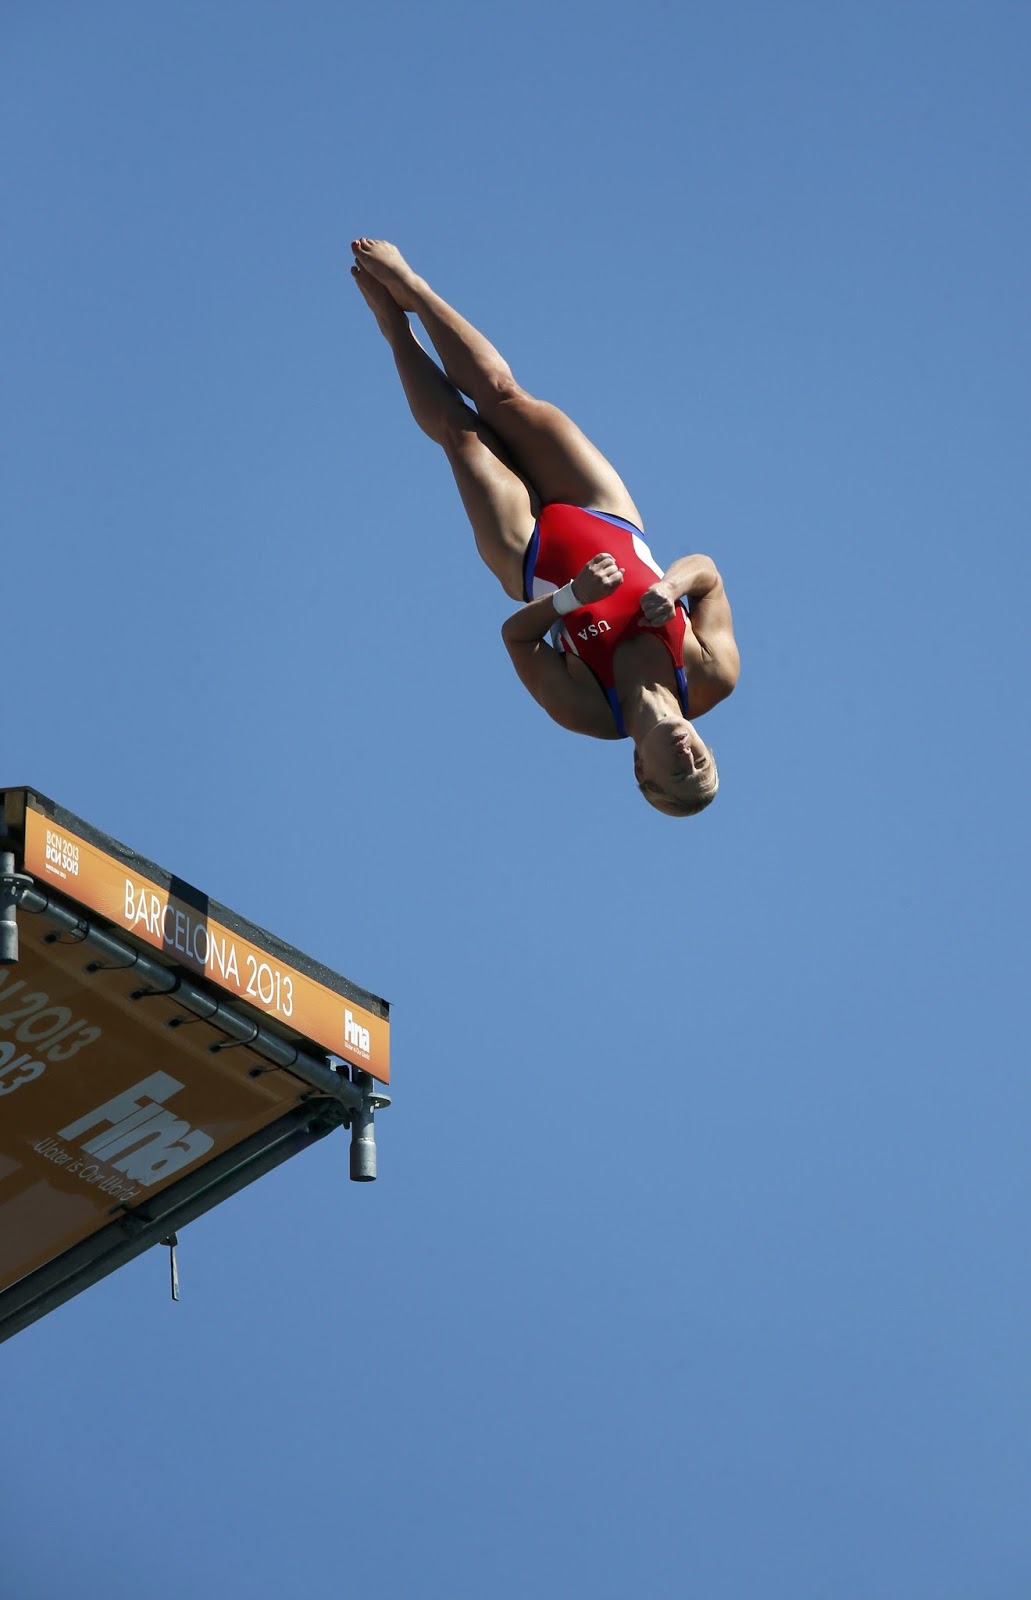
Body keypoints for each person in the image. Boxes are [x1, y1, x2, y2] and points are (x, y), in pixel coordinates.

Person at [350, 238, 739, 816]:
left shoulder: (587, 712)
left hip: (528, 554)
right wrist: (672, 587)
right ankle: (414, 289)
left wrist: (571, 598)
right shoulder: (712, 675)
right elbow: (707, 570)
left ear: (641, 769)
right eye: (701, 763)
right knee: (506, 396)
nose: (688, 759)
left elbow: (515, 638)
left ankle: (391, 326)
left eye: (677, 774)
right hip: (603, 510)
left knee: (462, 434)